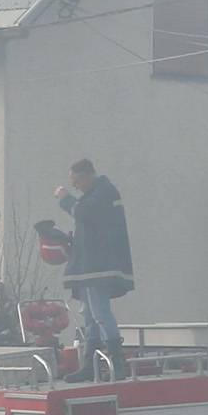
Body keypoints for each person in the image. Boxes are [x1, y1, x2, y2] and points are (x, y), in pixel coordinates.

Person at [54, 158, 134, 377]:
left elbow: (84, 213)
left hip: (99, 266)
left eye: (76, 182)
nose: (75, 187)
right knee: (90, 315)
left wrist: (65, 199)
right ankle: (91, 366)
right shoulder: (97, 193)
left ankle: (117, 364)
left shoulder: (104, 192)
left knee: (100, 312)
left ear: (87, 175)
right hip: (91, 266)